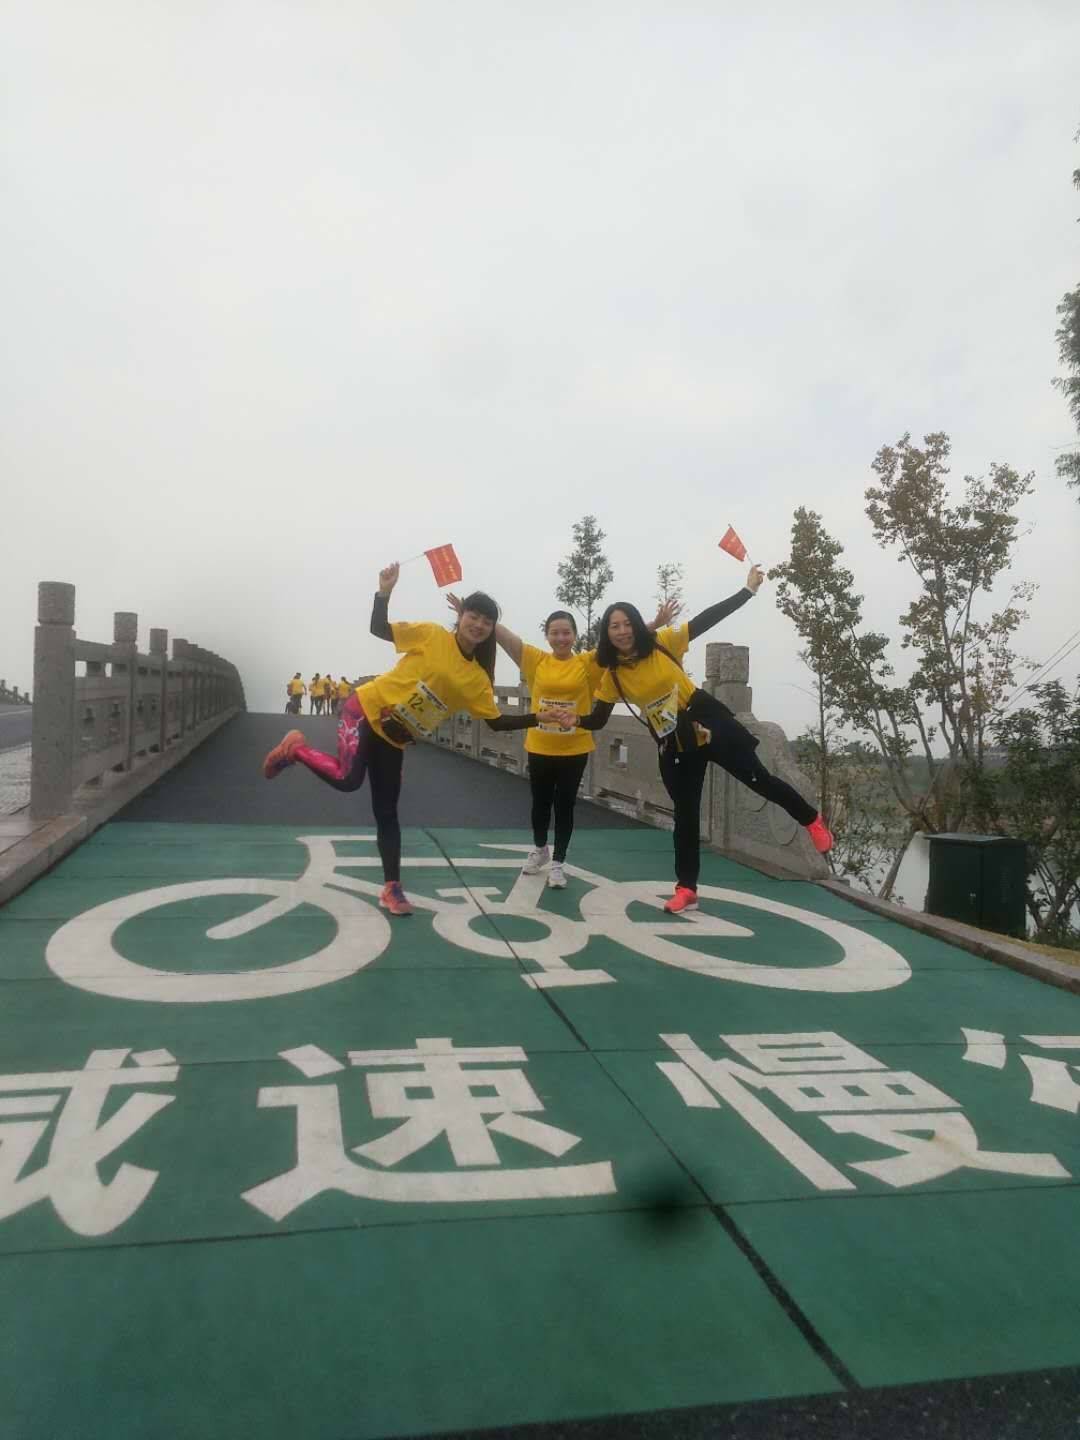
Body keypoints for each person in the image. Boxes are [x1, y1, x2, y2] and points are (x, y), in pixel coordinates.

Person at [262, 562, 563, 916]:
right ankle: (296, 750)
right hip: (366, 708)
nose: (479, 625)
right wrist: (384, 592)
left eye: (487, 621)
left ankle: (392, 887)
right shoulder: (432, 635)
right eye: (473, 616)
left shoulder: (478, 679)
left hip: (396, 736)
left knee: (386, 811)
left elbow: (495, 722)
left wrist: (538, 716)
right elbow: (379, 629)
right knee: (347, 779)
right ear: (461, 616)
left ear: (491, 629)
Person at [560, 564, 833, 913]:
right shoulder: (612, 675)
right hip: (673, 739)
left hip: (704, 720)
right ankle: (686, 889)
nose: (622, 630)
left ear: (637, 625)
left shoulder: (661, 643)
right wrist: (576, 720)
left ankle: (810, 819)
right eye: (615, 626)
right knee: (686, 815)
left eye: (627, 623)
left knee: (758, 779)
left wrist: (747, 591)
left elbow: (707, 619)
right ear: (607, 633)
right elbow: (598, 719)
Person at [450, 595, 680, 888]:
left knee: (565, 805)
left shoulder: (587, 662)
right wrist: (470, 615)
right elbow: (505, 637)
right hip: (540, 746)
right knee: (540, 804)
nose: (560, 638)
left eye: (566, 632)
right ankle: (540, 850)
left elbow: (620, 640)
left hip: (575, 748)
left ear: (574, 636)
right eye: (555, 633)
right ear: (547, 636)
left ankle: (558, 862)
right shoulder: (535, 660)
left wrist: (655, 624)